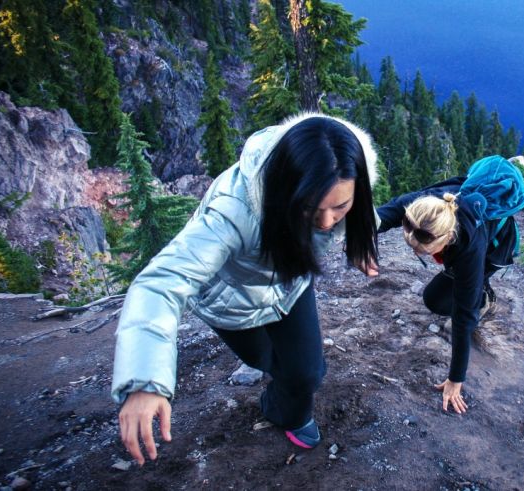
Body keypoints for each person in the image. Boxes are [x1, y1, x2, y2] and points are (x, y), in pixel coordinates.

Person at [112, 113, 380, 465]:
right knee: (267, 359)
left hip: (289, 287)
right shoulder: (235, 211)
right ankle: (275, 382)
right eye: (310, 209)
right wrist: (145, 381)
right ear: (287, 189)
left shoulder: (342, 180)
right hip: (230, 302)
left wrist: (357, 240)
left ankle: (285, 412)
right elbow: (163, 281)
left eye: (340, 207)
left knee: (307, 372)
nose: (328, 222)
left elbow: (358, 213)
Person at [376, 172, 522, 415]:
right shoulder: (424, 208)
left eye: (422, 248)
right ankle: (473, 288)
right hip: (460, 243)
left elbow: (463, 318)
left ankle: (484, 297)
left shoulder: (469, 249)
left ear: (447, 238)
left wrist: (455, 380)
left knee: (443, 300)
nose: (415, 250)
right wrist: (354, 236)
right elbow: (387, 213)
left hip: (494, 250)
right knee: (435, 298)